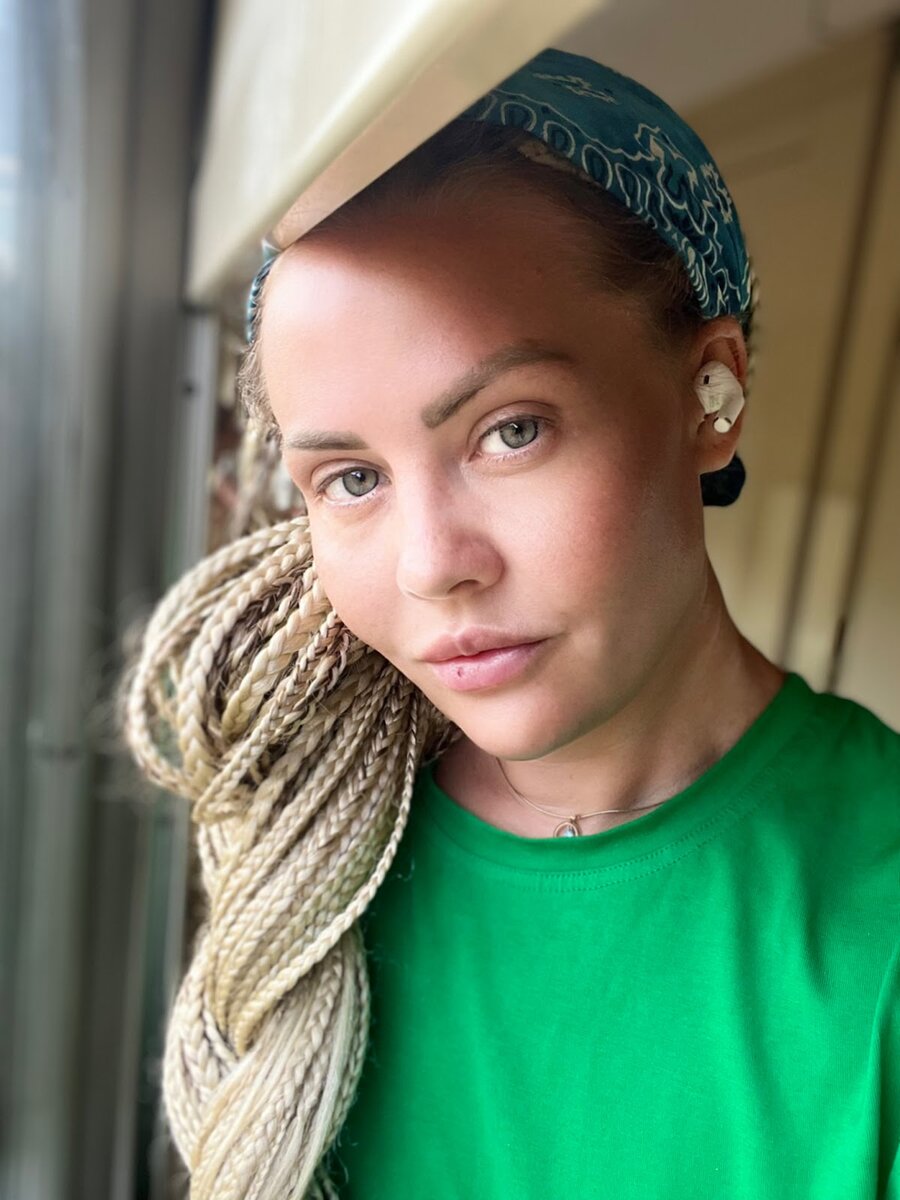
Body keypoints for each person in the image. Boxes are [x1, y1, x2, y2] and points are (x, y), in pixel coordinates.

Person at [124, 46, 900, 1200]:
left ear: (712, 392)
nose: (433, 565)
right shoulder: (313, 851)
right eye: (350, 479)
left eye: (512, 430)